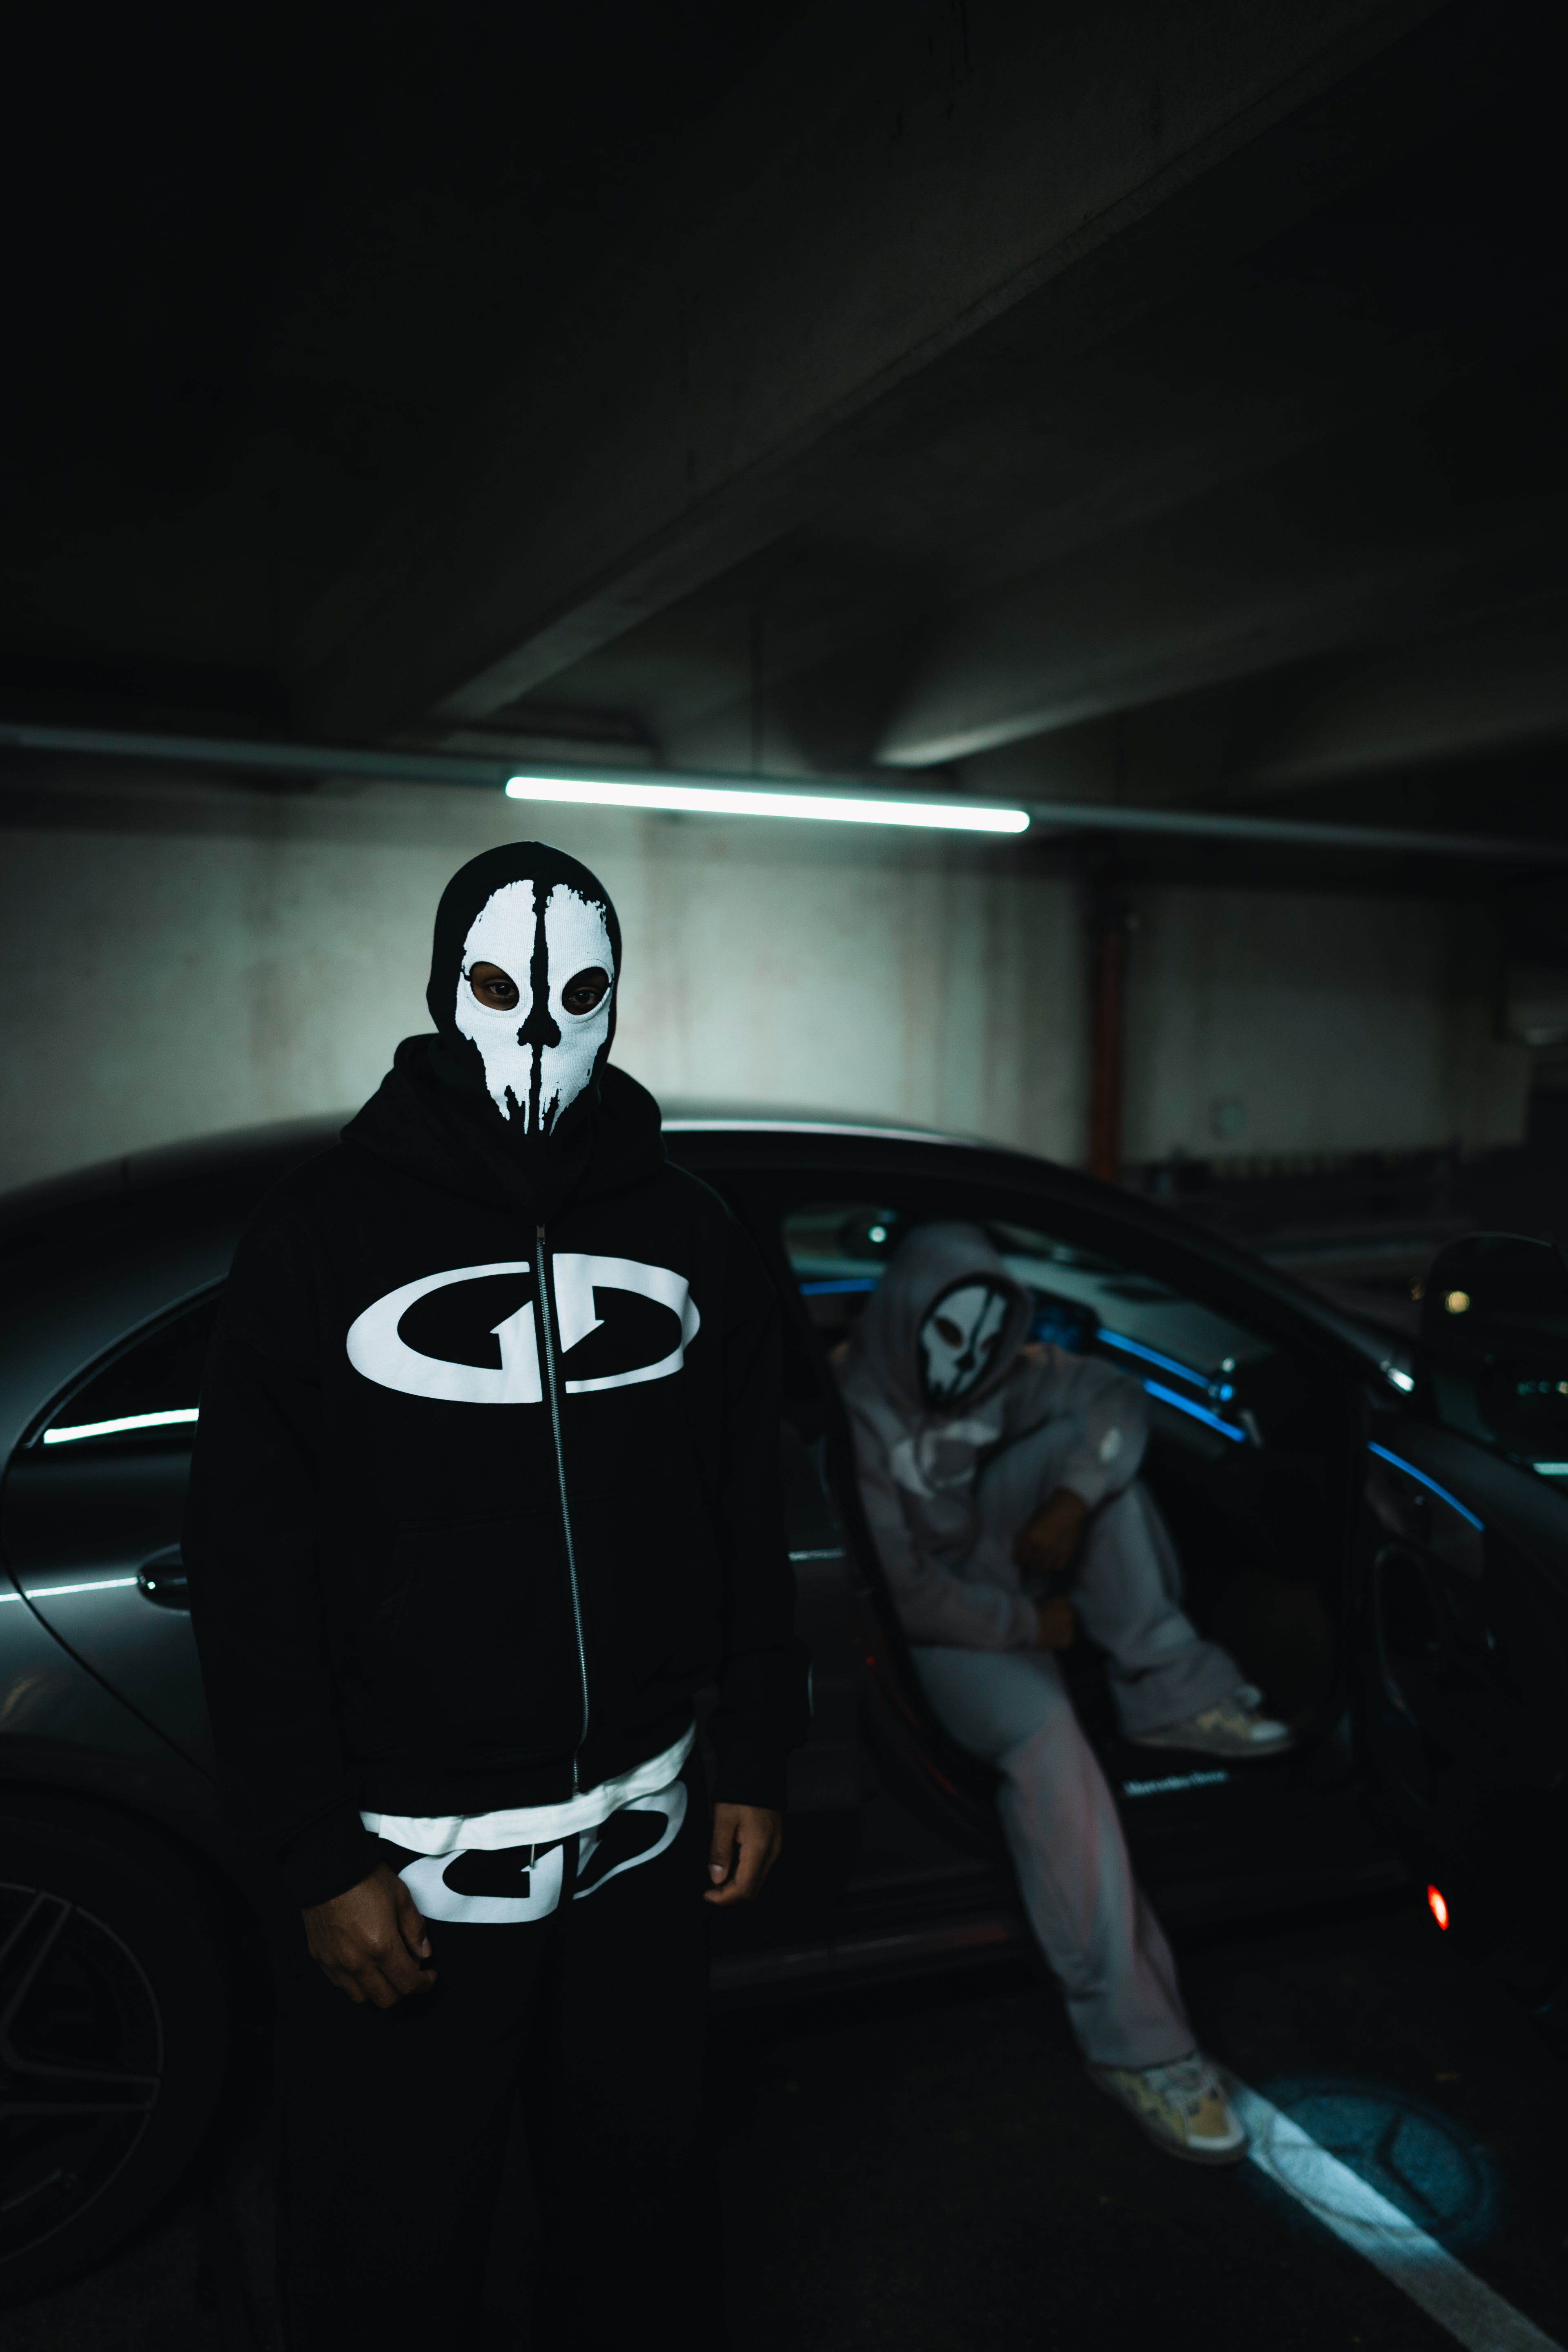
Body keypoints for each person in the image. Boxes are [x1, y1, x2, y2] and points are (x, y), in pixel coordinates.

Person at [184, 842, 809, 2351]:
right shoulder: (322, 1237)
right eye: (495, 986)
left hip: (644, 1848)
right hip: (413, 1875)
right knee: (389, 2260)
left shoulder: (691, 1232)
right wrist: (319, 1855)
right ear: (441, 991)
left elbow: (748, 1510)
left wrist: (758, 1752)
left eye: (578, 993)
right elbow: (248, 1564)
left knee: (643, 2235)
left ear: (619, 1000)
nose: (537, 1030)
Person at [835, 1221, 1291, 2165]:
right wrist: (1027, 1625)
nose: (966, 1361)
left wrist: (1073, 1496)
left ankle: (1171, 1694)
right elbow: (903, 1592)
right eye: (946, 1334)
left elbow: (1115, 1396)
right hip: (927, 1631)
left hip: (990, 1567)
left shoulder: (1008, 1375)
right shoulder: (856, 1410)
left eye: (984, 1338)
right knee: (1047, 1732)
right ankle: (1140, 2045)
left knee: (1108, 1478)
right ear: (904, 1317)